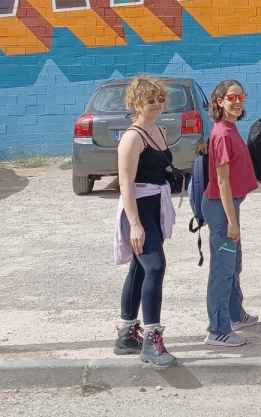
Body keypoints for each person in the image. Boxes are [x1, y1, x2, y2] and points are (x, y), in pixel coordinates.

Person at [113, 75, 179, 368]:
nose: (156, 104)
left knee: (140, 268)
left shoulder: (159, 131)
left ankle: (126, 334)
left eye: (160, 99)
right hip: (137, 209)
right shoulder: (132, 137)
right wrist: (135, 224)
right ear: (136, 103)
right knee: (155, 266)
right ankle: (152, 340)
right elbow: (125, 183)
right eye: (150, 100)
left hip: (155, 207)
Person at [204, 79, 260, 347]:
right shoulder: (223, 134)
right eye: (231, 98)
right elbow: (222, 181)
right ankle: (217, 330)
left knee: (233, 264)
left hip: (229, 205)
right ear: (220, 101)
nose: (237, 102)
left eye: (241, 97)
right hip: (222, 208)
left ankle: (236, 315)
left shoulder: (230, 127)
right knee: (223, 270)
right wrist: (231, 222)